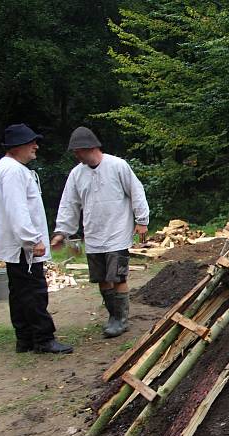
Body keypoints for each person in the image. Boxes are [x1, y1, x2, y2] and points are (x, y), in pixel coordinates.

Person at [52, 127, 149, 338]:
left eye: (78, 151)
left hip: (117, 232)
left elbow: (136, 191)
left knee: (118, 277)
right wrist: (62, 232)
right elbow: (69, 204)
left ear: (91, 147)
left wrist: (142, 220)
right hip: (94, 234)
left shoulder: (117, 166)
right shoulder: (77, 174)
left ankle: (121, 320)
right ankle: (113, 316)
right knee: (102, 278)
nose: (76, 155)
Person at [0, 124, 73, 354]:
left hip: (16, 246)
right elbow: (18, 210)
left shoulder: (6, 168)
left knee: (19, 292)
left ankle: (25, 339)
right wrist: (31, 240)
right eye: (31, 142)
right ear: (16, 147)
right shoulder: (13, 171)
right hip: (22, 248)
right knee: (34, 292)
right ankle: (43, 339)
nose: (35, 146)